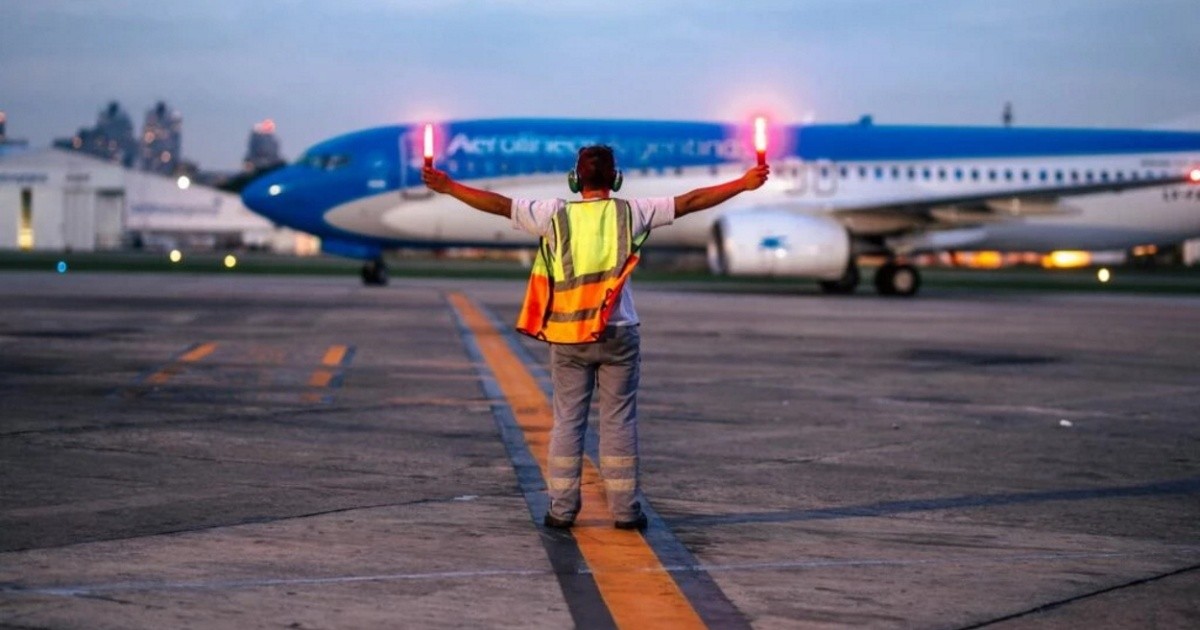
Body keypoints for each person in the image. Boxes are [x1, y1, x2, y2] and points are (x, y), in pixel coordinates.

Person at [423, 145, 768, 530]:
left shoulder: (553, 214)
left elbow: (499, 205)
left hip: (569, 336)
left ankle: (562, 509)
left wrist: (450, 186)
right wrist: (744, 183)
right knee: (619, 421)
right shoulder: (632, 212)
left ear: (575, 179)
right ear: (616, 179)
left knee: (568, 422)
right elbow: (692, 201)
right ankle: (625, 512)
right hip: (619, 334)